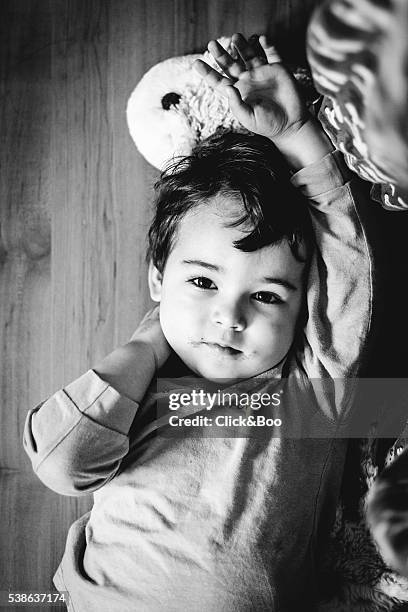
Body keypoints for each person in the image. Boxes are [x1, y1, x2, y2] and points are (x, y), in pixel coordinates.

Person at [23, 34, 373, 611]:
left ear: (301, 304)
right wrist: (146, 344)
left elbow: (344, 258)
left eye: (264, 294)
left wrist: (295, 136)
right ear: (158, 279)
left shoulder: (313, 385)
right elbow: (64, 467)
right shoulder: (132, 396)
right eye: (203, 281)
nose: (228, 317)